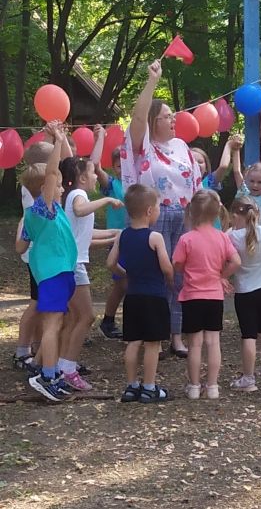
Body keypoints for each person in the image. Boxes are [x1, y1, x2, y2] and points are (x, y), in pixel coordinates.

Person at [123, 60, 203, 358]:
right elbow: (137, 116)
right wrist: (152, 81)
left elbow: (195, 184)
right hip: (153, 216)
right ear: (153, 121)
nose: (173, 120)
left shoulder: (182, 146)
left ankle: (176, 335)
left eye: (173, 116)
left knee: (180, 274)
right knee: (157, 273)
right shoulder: (142, 145)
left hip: (184, 216)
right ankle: (152, 333)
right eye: (167, 116)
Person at [18, 124, 80, 401]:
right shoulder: (44, 208)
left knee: (56, 323)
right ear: (46, 188)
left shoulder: (40, 214)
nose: (62, 188)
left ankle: (52, 373)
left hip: (57, 273)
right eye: (57, 186)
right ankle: (47, 376)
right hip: (53, 275)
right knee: (53, 325)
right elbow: (53, 172)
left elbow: (21, 246)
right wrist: (58, 141)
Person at [57, 156, 121, 391]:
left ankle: (62, 365)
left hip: (71, 263)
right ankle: (68, 369)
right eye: (93, 173)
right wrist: (107, 199)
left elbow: (85, 234)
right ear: (82, 178)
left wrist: (114, 233)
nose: (97, 176)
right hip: (74, 266)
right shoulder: (78, 196)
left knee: (75, 318)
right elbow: (80, 209)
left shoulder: (74, 196)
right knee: (86, 317)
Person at [107, 184, 174, 403]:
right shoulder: (155, 237)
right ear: (149, 211)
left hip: (133, 296)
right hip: (154, 296)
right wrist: (171, 280)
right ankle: (149, 387)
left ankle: (131, 386)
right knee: (153, 343)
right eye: (158, 208)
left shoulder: (122, 235)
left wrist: (125, 274)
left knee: (133, 341)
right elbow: (166, 267)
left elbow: (111, 263)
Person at [172, 189, 241, 399]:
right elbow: (236, 261)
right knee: (213, 342)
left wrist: (186, 270)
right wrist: (221, 276)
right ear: (216, 213)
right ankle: (212, 386)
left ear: (192, 212)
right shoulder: (222, 237)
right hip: (214, 296)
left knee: (194, 344)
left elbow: (177, 263)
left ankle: (194, 386)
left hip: (192, 296)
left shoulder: (186, 239)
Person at [226, 165, 261, 392]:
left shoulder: (230, 237)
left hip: (245, 292)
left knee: (249, 335)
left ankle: (248, 379)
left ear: (235, 215)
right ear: (257, 213)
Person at [95, 125, 130, 340]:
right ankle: (110, 321)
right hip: (117, 240)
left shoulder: (139, 182)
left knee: (125, 285)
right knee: (123, 283)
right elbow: (96, 168)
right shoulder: (111, 185)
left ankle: (109, 320)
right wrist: (100, 137)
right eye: (118, 165)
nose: (122, 169)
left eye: (126, 163)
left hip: (137, 238)